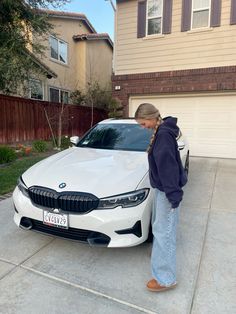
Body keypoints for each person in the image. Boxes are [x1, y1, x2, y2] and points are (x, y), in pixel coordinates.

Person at [135, 103, 187, 292]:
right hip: (164, 191)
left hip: (167, 192)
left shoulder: (163, 135)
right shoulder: (162, 131)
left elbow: (168, 169)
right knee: (162, 231)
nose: (143, 127)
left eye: (143, 123)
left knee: (164, 233)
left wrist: (174, 196)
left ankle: (166, 279)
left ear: (151, 118)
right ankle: (162, 264)